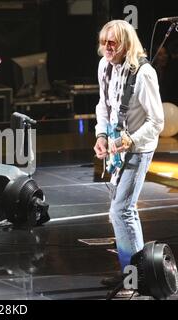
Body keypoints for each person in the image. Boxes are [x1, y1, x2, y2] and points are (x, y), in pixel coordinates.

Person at [93, 20, 164, 287]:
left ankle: (140, 276)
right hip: (115, 146)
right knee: (125, 212)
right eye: (103, 42)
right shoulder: (104, 66)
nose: (107, 48)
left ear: (126, 43)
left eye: (112, 42)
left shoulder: (144, 73)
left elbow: (157, 122)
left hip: (138, 147)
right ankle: (132, 274)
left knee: (121, 210)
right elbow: (103, 105)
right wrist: (101, 135)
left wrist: (130, 140)